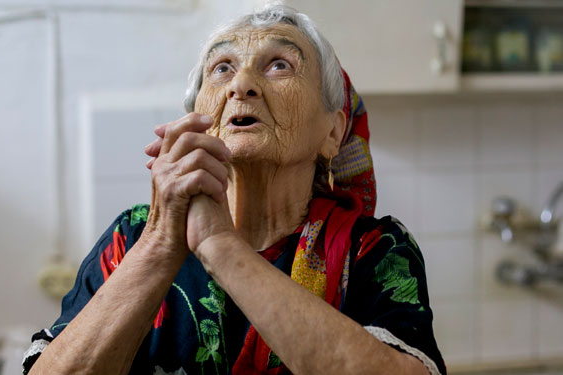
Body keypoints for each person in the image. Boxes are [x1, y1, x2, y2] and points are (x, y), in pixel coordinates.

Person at [23, 4, 445, 375]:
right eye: (221, 68)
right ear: (195, 116)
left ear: (332, 132)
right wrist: (160, 242)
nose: (241, 85)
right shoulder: (133, 237)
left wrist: (220, 246)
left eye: (280, 64)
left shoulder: (372, 248)